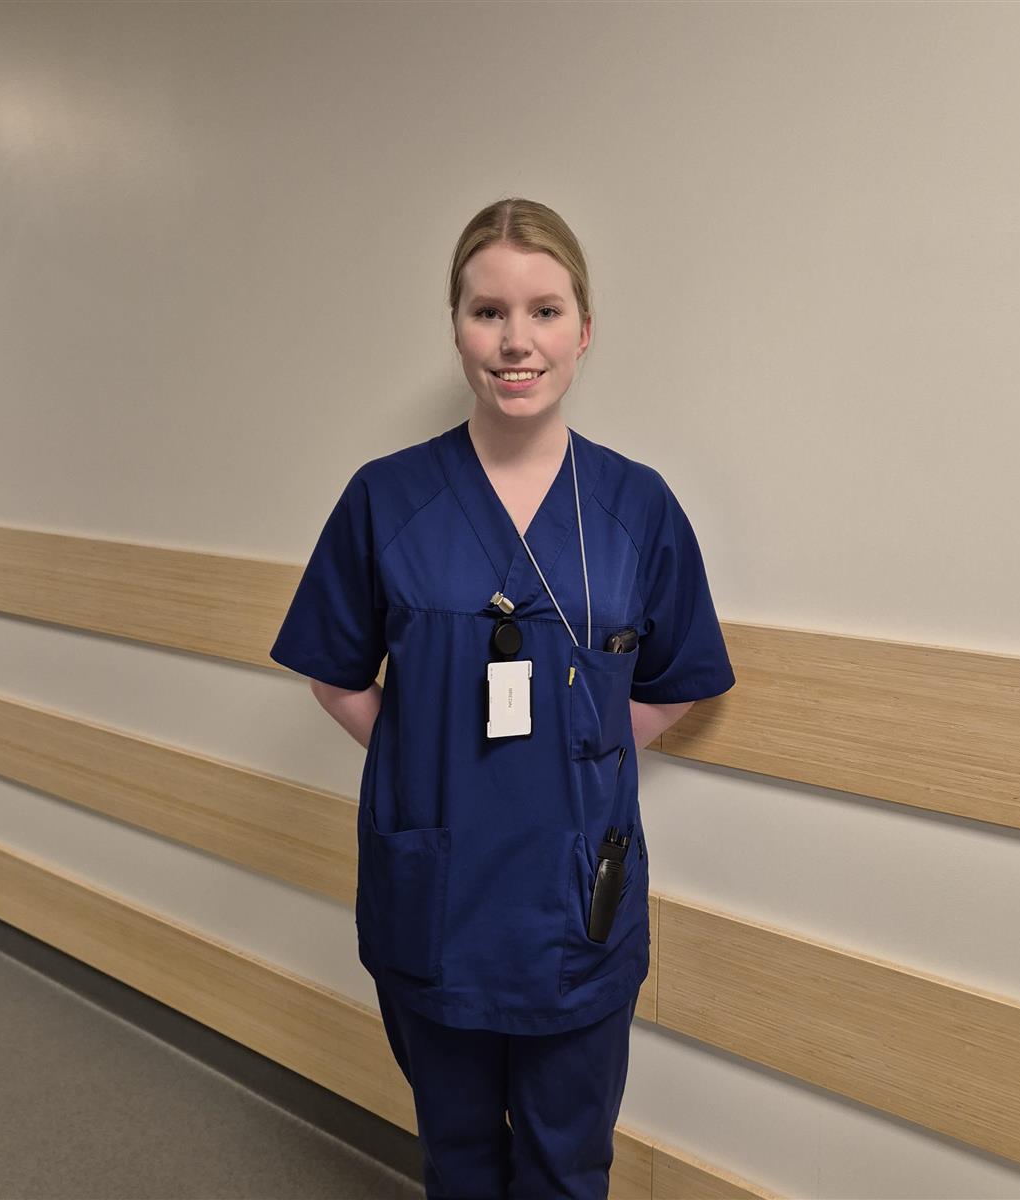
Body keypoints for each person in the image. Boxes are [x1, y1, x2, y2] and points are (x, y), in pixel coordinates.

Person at [269, 197, 736, 1199]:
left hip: (579, 905)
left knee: (568, 1167)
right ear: (456, 328)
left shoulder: (637, 507)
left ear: (584, 329)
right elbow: (335, 672)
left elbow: (675, 683)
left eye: (545, 311)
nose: (516, 340)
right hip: (434, 902)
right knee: (461, 1162)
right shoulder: (386, 498)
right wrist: (424, 763)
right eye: (488, 312)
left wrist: (577, 760)